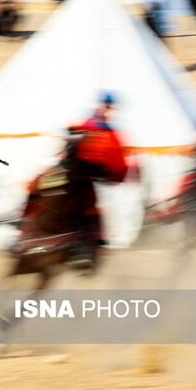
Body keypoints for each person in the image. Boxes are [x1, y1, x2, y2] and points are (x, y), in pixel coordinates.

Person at [61, 93, 129, 268]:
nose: (106, 109)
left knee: (92, 209)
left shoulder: (106, 132)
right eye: (105, 106)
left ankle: (87, 247)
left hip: (83, 175)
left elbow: (118, 164)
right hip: (75, 174)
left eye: (108, 107)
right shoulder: (90, 127)